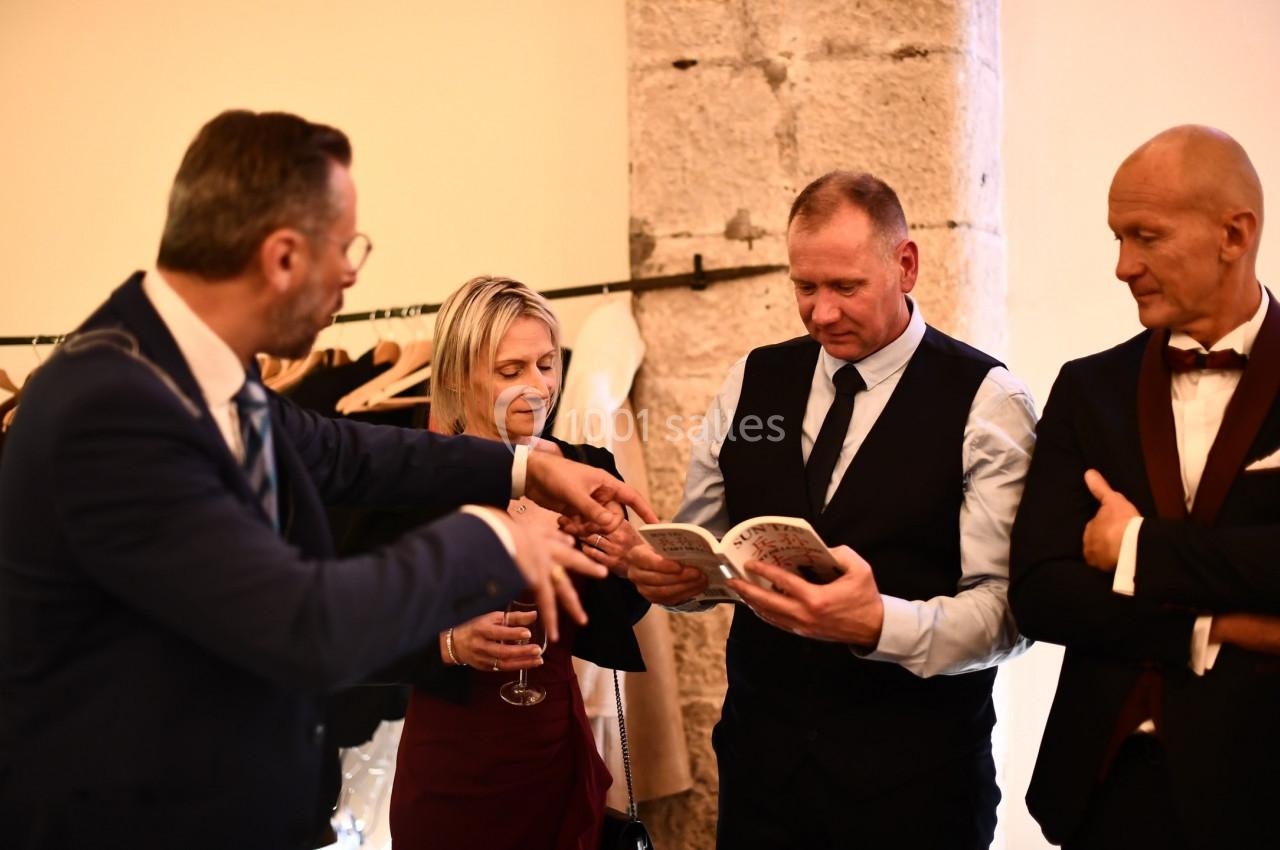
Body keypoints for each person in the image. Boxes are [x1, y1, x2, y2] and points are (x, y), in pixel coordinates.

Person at [0, 110, 655, 850]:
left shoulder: (197, 370)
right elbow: (304, 626)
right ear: (282, 257)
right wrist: (496, 536)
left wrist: (524, 467)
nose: (352, 272)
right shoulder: (114, 407)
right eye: (346, 249)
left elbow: (346, 451)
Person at [622, 171, 1035, 849]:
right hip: (762, 781)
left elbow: (1010, 612)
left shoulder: (989, 403)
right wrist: (680, 581)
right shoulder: (751, 380)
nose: (820, 314)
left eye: (845, 287)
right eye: (804, 288)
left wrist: (879, 623)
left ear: (905, 265)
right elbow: (708, 542)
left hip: (918, 792)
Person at [1010, 125, 1280, 850]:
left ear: (1234, 233)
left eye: (1146, 236)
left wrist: (1136, 547)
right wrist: (1210, 627)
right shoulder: (1087, 388)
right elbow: (1039, 588)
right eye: (1116, 238)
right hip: (1108, 783)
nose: (1124, 266)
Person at [387, 276, 649, 850]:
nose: (539, 386)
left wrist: (631, 563)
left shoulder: (587, 467)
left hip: (557, 755)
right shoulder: (414, 481)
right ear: (458, 377)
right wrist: (448, 644)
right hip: (454, 773)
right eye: (511, 371)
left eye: (548, 363)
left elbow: (619, 611)